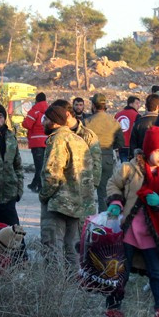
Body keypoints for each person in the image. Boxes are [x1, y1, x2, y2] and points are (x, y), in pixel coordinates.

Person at [105, 126, 159, 317]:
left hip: (152, 233)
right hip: (129, 231)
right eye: (158, 151)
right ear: (148, 150)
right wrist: (115, 202)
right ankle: (113, 306)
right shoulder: (129, 168)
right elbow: (113, 184)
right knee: (121, 270)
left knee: (157, 271)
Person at [38, 105, 93, 265]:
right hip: (77, 204)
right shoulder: (79, 140)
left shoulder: (58, 139)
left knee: (52, 248)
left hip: (57, 204)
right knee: (72, 249)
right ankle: (73, 286)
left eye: (46, 119)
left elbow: (52, 173)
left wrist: (44, 195)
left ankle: (54, 288)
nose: (43, 122)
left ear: (54, 122)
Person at [51, 98, 101, 217]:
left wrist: (87, 190)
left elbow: (96, 166)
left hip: (82, 199)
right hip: (61, 201)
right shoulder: (56, 135)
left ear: (67, 114)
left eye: (56, 116)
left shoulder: (87, 135)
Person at [85, 93, 125, 212]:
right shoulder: (114, 122)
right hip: (107, 158)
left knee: (86, 192)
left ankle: (87, 220)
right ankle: (103, 221)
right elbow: (120, 143)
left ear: (93, 105)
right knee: (104, 192)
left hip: (89, 159)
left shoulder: (86, 122)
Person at [22, 92, 49, 192]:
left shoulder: (34, 110)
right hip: (47, 141)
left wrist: (24, 121)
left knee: (39, 166)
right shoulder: (50, 110)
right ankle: (35, 184)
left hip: (36, 142)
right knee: (43, 165)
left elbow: (27, 125)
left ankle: (39, 186)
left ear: (36, 100)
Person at [115, 96, 141, 162]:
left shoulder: (117, 115)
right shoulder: (137, 115)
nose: (139, 105)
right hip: (131, 146)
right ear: (130, 104)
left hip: (120, 146)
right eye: (137, 103)